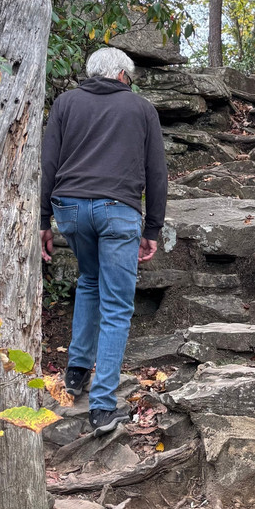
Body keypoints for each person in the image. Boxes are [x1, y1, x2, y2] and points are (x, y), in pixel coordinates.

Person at [39, 47, 167, 435]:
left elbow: (48, 162)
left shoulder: (66, 103)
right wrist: (153, 229)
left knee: (90, 281)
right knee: (116, 305)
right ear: (123, 76)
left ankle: (76, 373)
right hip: (118, 212)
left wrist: (44, 219)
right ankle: (102, 406)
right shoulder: (141, 109)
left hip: (71, 211)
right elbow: (156, 172)